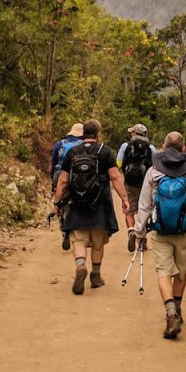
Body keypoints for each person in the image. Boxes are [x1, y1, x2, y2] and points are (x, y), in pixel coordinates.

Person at [134, 131, 186, 339]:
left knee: (163, 273)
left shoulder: (153, 172)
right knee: (181, 274)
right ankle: (177, 309)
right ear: (183, 149)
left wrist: (139, 232)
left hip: (160, 232)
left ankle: (170, 314)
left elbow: (144, 205)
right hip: (184, 232)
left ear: (163, 148)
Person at [52, 119, 129, 295]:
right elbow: (115, 177)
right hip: (99, 203)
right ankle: (95, 275)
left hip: (77, 203)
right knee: (97, 242)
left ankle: (80, 266)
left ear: (82, 134)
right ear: (97, 134)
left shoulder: (73, 152)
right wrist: (124, 198)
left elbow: (63, 180)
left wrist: (57, 202)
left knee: (78, 239)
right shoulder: (105, 151)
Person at [116, 124, 158, 252]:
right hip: (146, 184)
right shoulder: (151, 148)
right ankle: (142, 242)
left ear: (134, 133)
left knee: (129, 210)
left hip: (129, 183)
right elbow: (156, 166)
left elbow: (118, 164)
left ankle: (131, 231)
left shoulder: (125, 146)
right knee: (143, 210)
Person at [49, 123, 84, 251]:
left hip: (60, 177)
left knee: (60, 204)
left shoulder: (60, 144)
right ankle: (75, 228)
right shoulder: (83, 145)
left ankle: (64, 230)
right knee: (76, 203)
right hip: (78, 178)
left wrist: (53, 181)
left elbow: (53, 163)